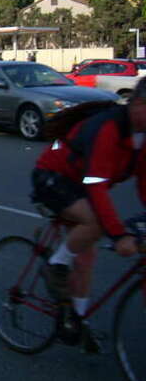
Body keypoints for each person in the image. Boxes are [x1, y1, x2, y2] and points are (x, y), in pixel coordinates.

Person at [31, 80, 146, 351]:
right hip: (53, 176)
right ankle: (56, 264)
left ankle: (77, 321)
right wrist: (118, 235)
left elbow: (144, 183)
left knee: (86, 260)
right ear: (138, 104)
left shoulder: (142, 136)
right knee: (96, 223)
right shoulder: (108, 127)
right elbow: (96, 184)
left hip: (82, 184)